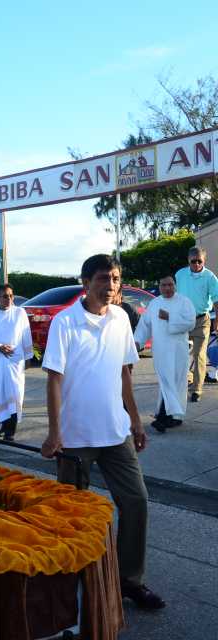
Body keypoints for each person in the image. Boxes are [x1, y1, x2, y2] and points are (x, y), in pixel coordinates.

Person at [41, 254, 165, 610]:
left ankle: (130, 580)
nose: (110, 285)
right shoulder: (65, 323)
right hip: (75, 438)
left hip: (116, 433)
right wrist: (53, 434)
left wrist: (137, 421)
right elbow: (54, 379)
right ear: (85, 282)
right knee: (71, 514)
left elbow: (125, 374)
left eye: (114, 278)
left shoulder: (122, 319)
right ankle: (70, 581)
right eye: (102, 278)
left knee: (137, 502)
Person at [134, 275, 196, 433]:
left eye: (170, 285)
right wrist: (137, 342)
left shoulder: (184, 302)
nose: (167, 288)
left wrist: (170, 317)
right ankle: (165, 417)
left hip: (177, 350)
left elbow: (191, 323)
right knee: (166, 382)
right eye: (164, 285)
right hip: (161, 351)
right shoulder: (155, 304)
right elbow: (145, 325)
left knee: (176, 382)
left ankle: (171, 417)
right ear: (159, 286)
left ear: (175, 285)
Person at [0, 284, 33, 441]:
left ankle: (12, 429)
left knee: (15, 392)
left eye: (11, 295)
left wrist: (29, 356)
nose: (9, 299)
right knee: (0, 392)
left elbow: (26, 334)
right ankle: (4, 424)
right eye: (5, 296)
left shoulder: (20, 313)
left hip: (16, 360)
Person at [175, 246, 218, 402]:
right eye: (193, 261)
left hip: (202, 320)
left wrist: (217, 323)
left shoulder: (210, 278)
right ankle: (187, 378)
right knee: (180, 352)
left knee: (199, 354)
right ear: (188, 260)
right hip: (183, 319)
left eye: (200, 261)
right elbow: (176, 297)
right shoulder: (179, 275)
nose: (196, 264)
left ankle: (197, 389)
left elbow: (217, 302)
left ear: (204, 261)